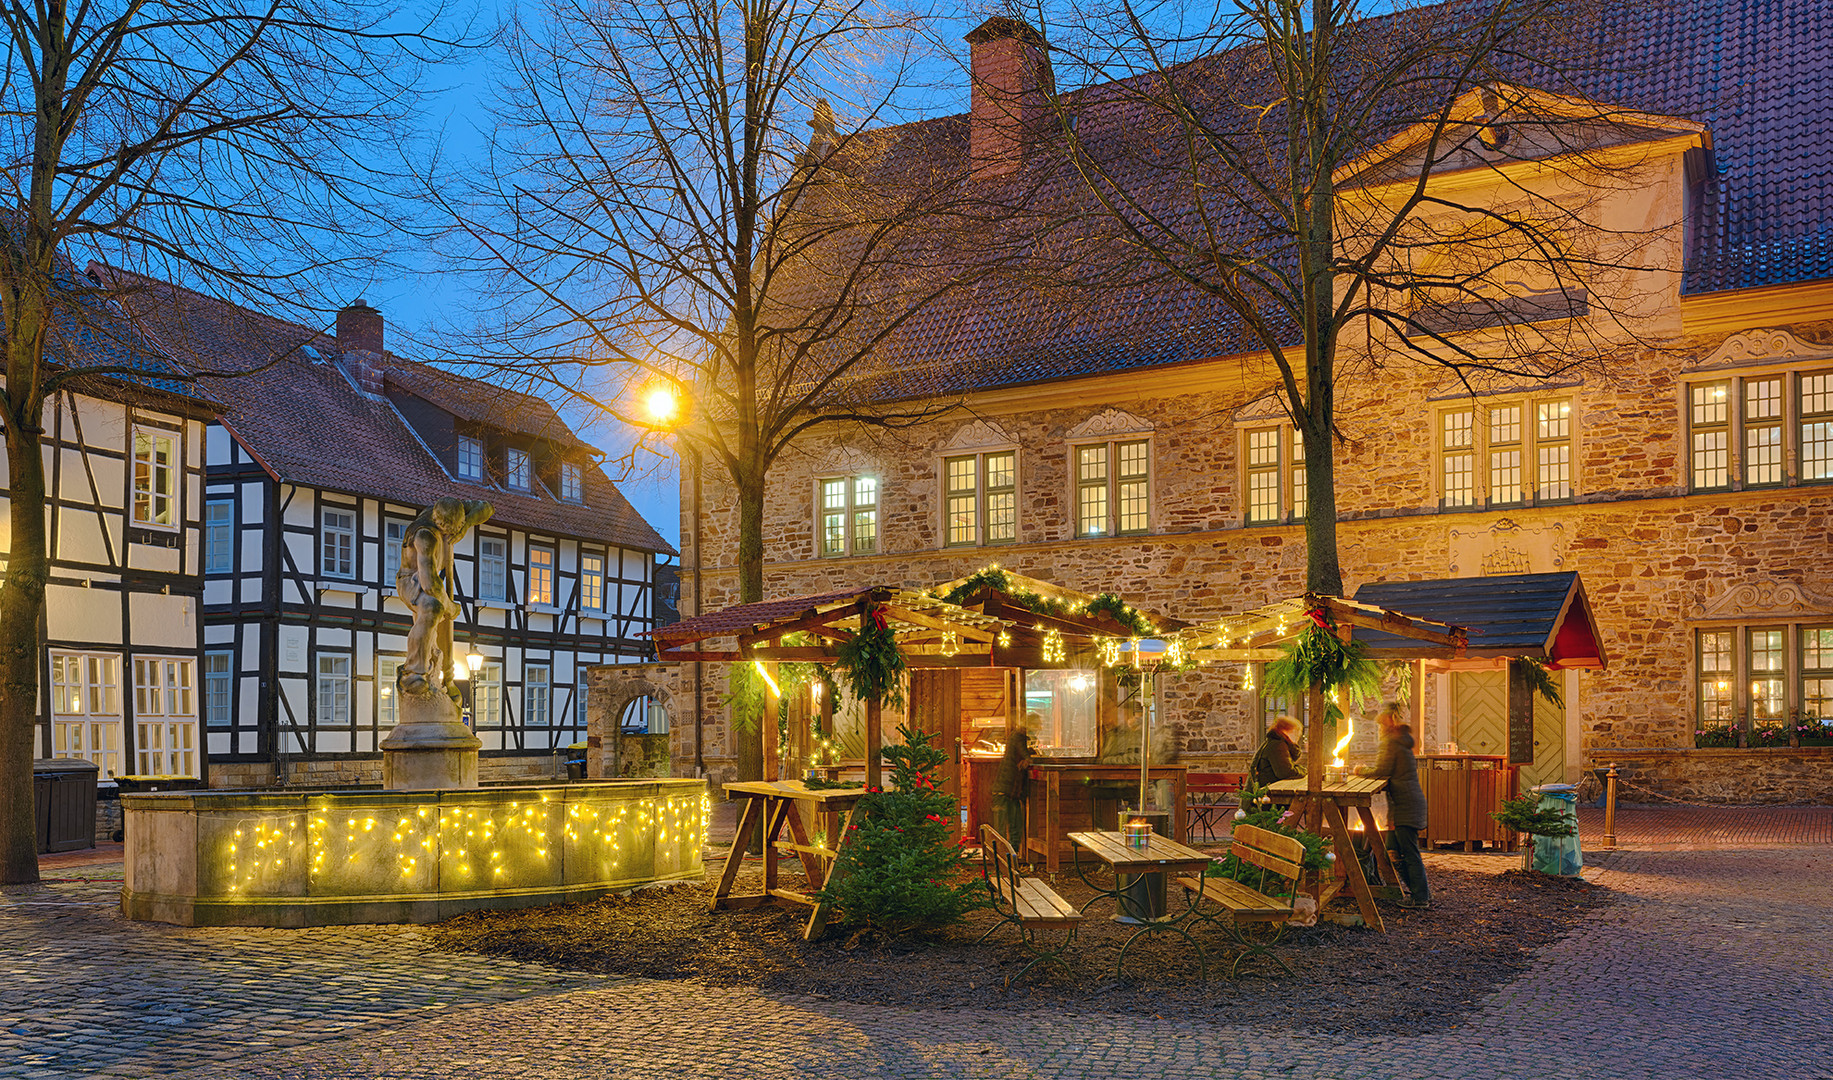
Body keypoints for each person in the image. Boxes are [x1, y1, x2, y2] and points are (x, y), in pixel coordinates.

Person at [1359, 703, 1430, 909]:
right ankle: (1418, 892)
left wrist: (1361, 769)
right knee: (1393, 848)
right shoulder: (1400, 742)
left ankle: (1420, 897)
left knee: (1408, 851)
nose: (1378, 731)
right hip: (1406, 805)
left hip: (1406, 807)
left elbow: (1381, 769)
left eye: (1379, 727)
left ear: (1385, 726)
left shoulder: (1391, 743)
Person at [991, 716, 1036, 845]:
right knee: (1011, 826)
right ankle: (1005, 857)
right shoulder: (1018, 737)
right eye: (1038, 725)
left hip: (1009, 789)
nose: (1040, 728)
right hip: (1007, 789)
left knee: (1011, 825)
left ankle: (1005, 856)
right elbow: (1026, 756)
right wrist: (1029, 758)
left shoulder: (1016, 737)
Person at [1250, 714, 1306, 787]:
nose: (1298, 735)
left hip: (1265, 789)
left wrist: (1293, 745)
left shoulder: (1273, 742)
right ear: (1286, 730)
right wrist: (1304, 771)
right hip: (1265, 793)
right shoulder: (1277, 746)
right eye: (1295, 731)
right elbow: (1286, 773)